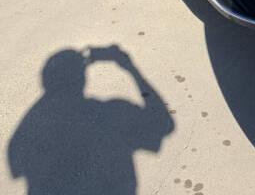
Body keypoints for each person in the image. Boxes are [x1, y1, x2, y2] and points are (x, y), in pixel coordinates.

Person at [8, 45, 174, 195]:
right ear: (82, 78)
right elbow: (163, 125)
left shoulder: (20, 136)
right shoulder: (109, 113)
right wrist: (129, 67)